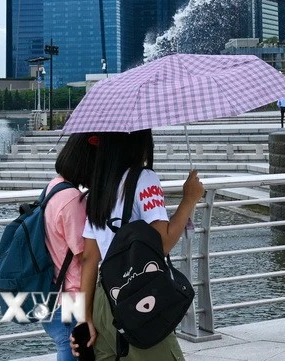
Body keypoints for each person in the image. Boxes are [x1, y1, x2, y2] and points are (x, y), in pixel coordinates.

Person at [75, 130, 204, 361]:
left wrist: (86, 317)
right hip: (138, 297)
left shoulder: (98, 188)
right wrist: (189, 199)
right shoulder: (144, 178)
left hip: (104, 300)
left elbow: (89, 259)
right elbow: (161, 244)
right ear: (138, 142)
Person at [41, 133, 97, 361]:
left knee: (65, 347)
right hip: (70, 298)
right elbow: (86, 255)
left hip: (51, 292)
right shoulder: (72, 199)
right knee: (71, 352)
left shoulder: (53, 187)